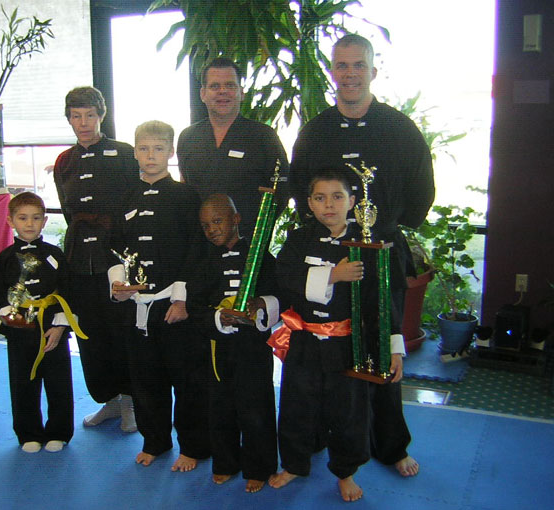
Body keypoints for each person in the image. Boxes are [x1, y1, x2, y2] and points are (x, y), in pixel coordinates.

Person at [288, 33, 435, 477]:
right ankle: (319, 437)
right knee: (325, 351)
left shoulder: (399, 128)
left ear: (373, 70)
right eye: (342, 65)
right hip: (328, 254)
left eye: (358, 65)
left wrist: (382, 231)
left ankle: (391, 446)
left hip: (381, 251)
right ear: (332, 71)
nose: (349, 73)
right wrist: (328, 236)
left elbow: (421, 193)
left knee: (382, 347)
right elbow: (299, 190)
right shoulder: (315, 131)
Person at [268, 173, 405, 502]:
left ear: (353, 202)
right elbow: (283, 278)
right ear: (309, 203)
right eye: (320, 198)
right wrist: (332, 275)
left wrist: (393, 348)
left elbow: (381, 299)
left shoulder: (367, 244)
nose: (328, 205)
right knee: (296, 406)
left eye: (337, 197)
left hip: (347, 344)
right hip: (303, 339)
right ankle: (294, 464)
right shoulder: (298, 238)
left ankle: (346, 471)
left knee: (348, 412)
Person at [109, 120, 210, 472]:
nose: (150, 155)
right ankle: (155, 441)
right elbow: (115, 246)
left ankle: (193, 446)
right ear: (135, 152)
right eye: (143, 148)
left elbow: (197, 249)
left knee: (186, 380)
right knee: (145, 379)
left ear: (170, 152)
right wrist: (118, 283)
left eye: (158, 148)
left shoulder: (186, 196)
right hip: (138, 304)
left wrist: (182, 299)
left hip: (173, 303)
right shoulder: (125, 197)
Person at [53, 86, 139, 433]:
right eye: (76, 116)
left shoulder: (124, 153)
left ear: (102, 115)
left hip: (116, 253)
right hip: (79, 256)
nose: (83, 123)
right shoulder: (64, 161)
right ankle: (109, 399)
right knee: (89, 331)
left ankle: (130, 400)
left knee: (121, 328)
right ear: (69, 119)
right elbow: (68, 209)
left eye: (90, 115)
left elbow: (135, 202)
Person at [189, 194, 279, 493]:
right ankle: (225, 462)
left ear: (236, 219)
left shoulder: (260, 257)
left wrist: (262, 305)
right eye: (205, 225)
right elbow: (195, 306)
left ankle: (259, 467)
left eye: (217, 221)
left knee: (256, 407)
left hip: (253, 348)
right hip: (217, 348)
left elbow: (280, 294)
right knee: (220, 406)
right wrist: (217, 318)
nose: (212, 229)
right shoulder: (204, 263)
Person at [0, 192, 75, 454]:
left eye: (36, 218)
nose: (29, 224)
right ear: (10, 221)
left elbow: (69, 289)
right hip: (20, 328)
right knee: (23, 382)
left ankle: (59, 432)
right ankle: (28, 433)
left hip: (52, 327)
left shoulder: (54, 255)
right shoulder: (5, 259)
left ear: (45, 221)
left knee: (59, 382)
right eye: (22, 218)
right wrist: (10, 321)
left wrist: (60, 326)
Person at [177, 57, 290, 239]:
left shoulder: (263, 137)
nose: (223, 92)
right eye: (215, 86)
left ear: (241, 93)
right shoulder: (188, 138)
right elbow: (185, 190)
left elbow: (281, 192)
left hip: (247, 244)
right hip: (199, 245)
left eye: (230, 85)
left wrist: (258, 236)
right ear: (203, 94)